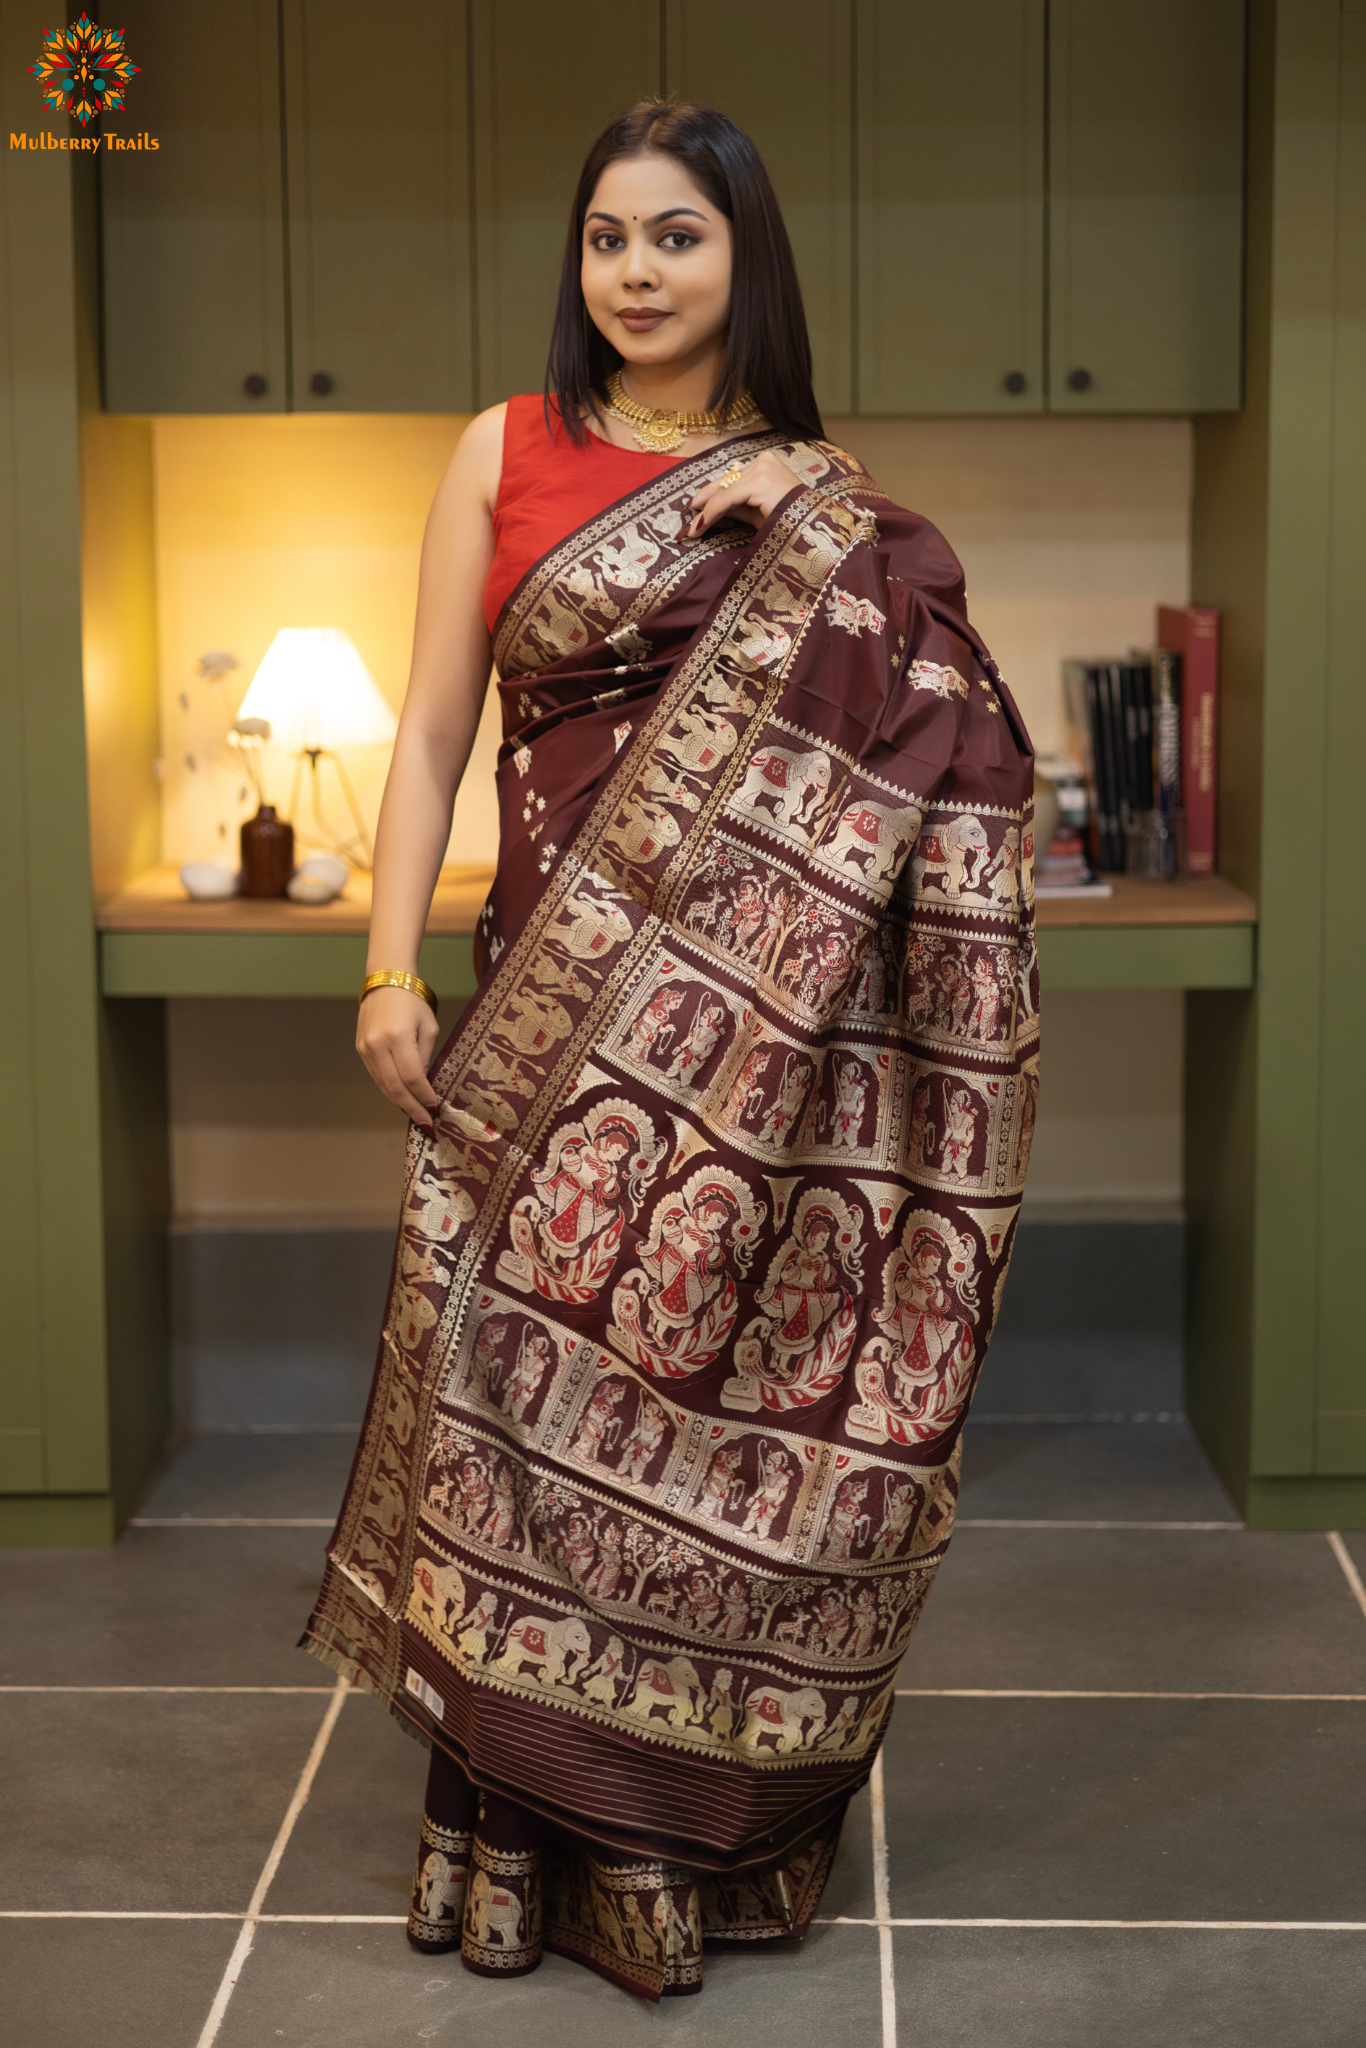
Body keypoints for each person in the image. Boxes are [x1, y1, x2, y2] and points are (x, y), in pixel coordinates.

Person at [303, 98, 1038, 2003]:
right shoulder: (504, 449)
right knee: (517, 1414)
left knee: (698, 1408)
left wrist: (809, 517)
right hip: (545, 1014)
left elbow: (930, 739)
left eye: (678, 238)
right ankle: (511, 1828)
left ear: (744, 260)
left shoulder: (811, 491)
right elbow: (433, 732)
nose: (635, 272)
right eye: (608, 238)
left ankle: (667, 1841)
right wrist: (387, 973)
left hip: (762, 1064)